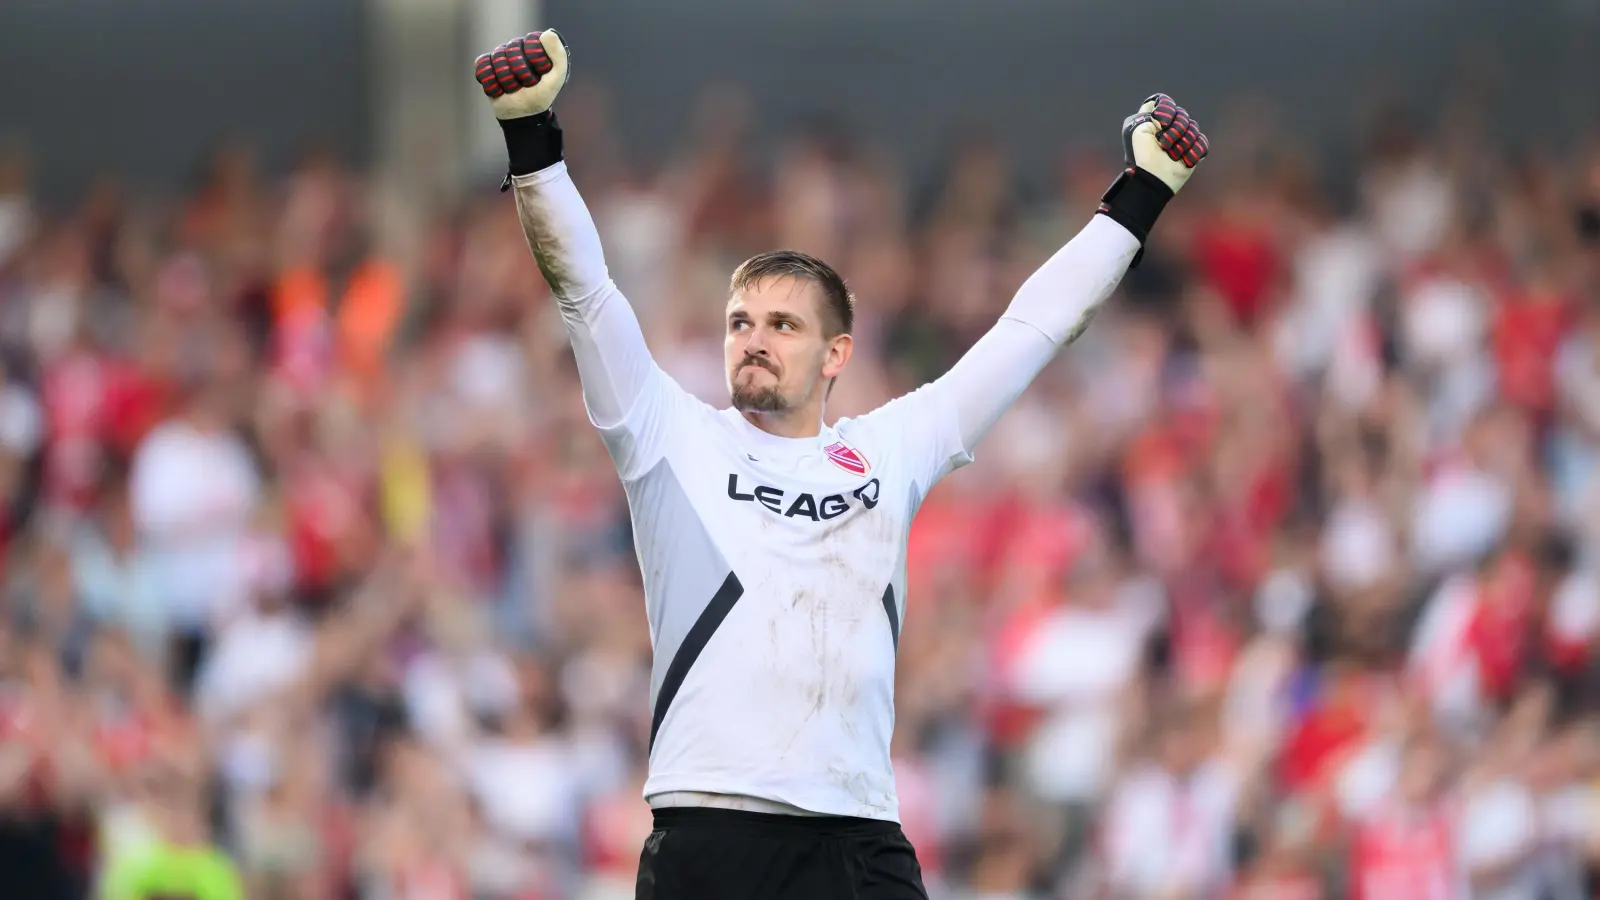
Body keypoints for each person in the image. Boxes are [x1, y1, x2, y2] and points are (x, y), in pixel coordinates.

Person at [470, 28, 1209, 900]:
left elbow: (1032, 329)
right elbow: (585, 290)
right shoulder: (667, 433)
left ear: (836, 355)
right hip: (712, 832)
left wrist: (1142, 194)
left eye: (783, 326)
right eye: (741, 322)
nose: (753, 340)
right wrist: (533, 140)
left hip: (857, 835)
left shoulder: (890, 448)